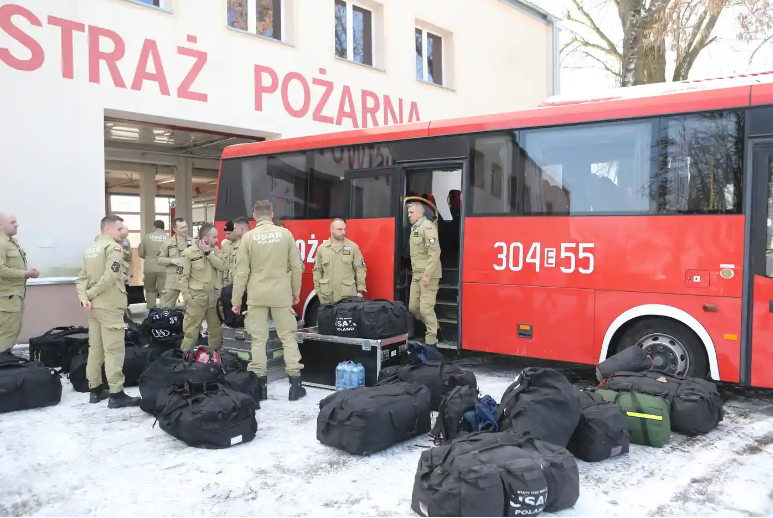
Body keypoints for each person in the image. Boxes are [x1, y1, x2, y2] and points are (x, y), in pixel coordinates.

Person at [232, 200, 305, 402]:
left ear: (254, 216)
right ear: (272, 215)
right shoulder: (285, 234)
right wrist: (296, 291)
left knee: (258, 341)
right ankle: (295, 386)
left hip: (256, 296)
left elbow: (241, 272)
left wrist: (236, 299)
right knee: (288, 338)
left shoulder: (248, 238)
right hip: (281, 294)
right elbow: (296, 266)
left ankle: (260, 388)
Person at [75, 214, 140, 408]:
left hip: (93, 307)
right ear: (108, 229)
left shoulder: (90, 249)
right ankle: (116, 394)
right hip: (109, 304)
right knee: (113, 350)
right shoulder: (114, 248)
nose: (123, 232)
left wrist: (84, 298)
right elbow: (110, 277)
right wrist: (92, 294)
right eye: (119, 229)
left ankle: (95, 390)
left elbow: (81, 278)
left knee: (95, 348)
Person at [178, 224, 226, 351]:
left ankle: (214, 357)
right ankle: (185, 358)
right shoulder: (188, 253)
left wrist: (209, 253)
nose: (217, 240)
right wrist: (187, 297)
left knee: (216, 330)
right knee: (191, 331)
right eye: (214, 237)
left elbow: (223, 267)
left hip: (213, 298)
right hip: (196, 299)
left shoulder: (215, 251)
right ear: (205, 238)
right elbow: (182, 278)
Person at [0, 213, 39, 355]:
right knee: (6, 332)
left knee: (14, 330)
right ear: (1, 225)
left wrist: (28, 272)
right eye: (12, 222)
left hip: (16, 295)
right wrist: (25, 274)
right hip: (6, 297)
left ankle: (6, 361)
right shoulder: (1, 243)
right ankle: (3, 366)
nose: (17, 224)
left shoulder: (12, 242)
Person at [407, 202, 442, 345]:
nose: (409, 215)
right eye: (408, 213)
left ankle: (432, 343)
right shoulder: (415, 227)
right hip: (417, 274)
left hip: (429, 274)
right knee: (413, 307)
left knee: (426, 309)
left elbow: (435, 252)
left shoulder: (427, 227)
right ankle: (436, 327)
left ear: (420, 213)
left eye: (411, 213)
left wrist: (427, 274)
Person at [313, 218, 366, 304]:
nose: (343, 232)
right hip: (327, 298)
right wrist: (318, 291)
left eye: (344, 229)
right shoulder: (322, 249)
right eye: (339, 229)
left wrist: (360, 291)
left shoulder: (353, 247)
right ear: (331, 230)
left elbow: (360, 270)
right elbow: (317, 271)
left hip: (348, 297)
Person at [157, 218, 192, 308]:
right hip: (173, 280)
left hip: (190, 280)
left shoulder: (193, 242)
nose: (185, 229)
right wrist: (172, 260)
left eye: (186, 226)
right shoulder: (168, 243)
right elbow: (159, 259)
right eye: (181, 228)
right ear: (175, 229)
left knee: (192, 308)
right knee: (166, 307)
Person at [137, 220, 168, 309]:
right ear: (163, 227)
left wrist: (149, 258)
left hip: (149, 268)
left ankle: (152, 311)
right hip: (164, 268)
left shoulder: (147, 237)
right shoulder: (169, 238)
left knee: (150, 290)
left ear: (154, 227)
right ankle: (163, 312)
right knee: (164, 291)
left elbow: (141, 252)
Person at [222, 216, 250, 287]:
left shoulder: (247, 243)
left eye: (229, 233)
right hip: (230, 284)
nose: (226, 236)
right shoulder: (225, 245)